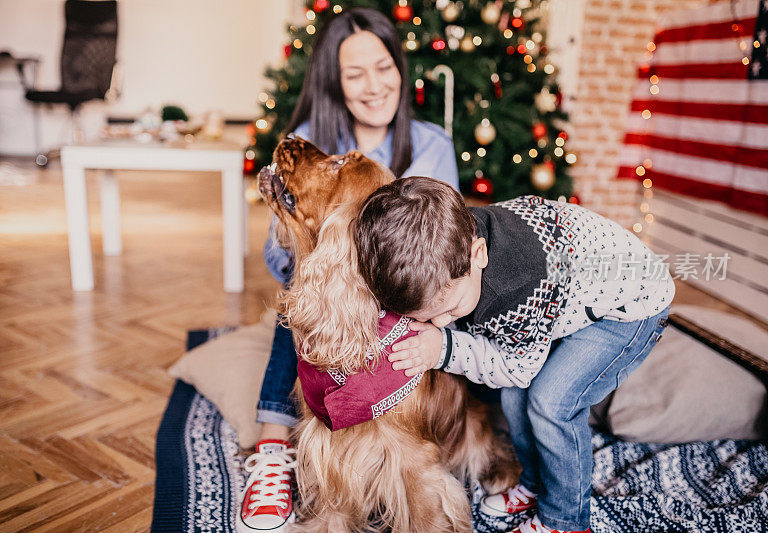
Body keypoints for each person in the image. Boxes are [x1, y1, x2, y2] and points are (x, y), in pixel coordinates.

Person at [238, 9, 460, 533]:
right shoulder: (312, 139)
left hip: (403, 305)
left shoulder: (431, 146)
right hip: (327, 293)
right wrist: (321, 251)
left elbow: (441, 256)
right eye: (355, 74)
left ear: (401, 71)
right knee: (299, 300)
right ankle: (274, 448)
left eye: (383, 68)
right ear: (335, 83)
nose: (374, 86)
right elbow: (280, 259)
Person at [351, 177, 675, 533]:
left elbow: (515, 368)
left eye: (450, 308)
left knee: (551, 402)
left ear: (478, 254)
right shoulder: (450, 242)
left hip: (631, 306)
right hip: (567, 291)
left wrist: (444, 348)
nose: (441, 322)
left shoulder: (516, 288)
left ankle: (566, 519)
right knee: (514, 396)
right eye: (426, 317)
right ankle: (535, 483)